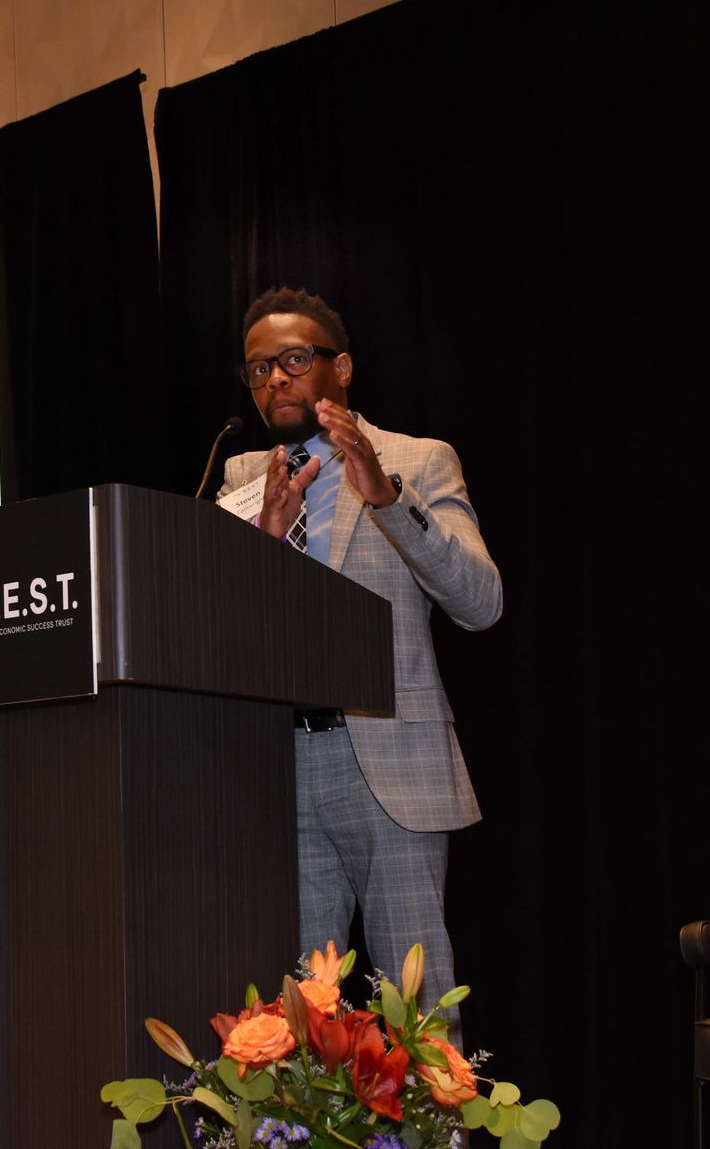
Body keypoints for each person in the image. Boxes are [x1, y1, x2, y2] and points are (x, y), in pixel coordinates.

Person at [219, 286, 501, 1014]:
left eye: (293, 360)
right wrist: (264, 546)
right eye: (258, 369)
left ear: (340, 367)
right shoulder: (242, 478)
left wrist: (388, 500)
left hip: (389, 762)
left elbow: (480, 603)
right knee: (295, 1019)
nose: (274, 380)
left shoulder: (417, 460)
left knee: (420, 1014)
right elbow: (220, 634)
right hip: (277, 769)